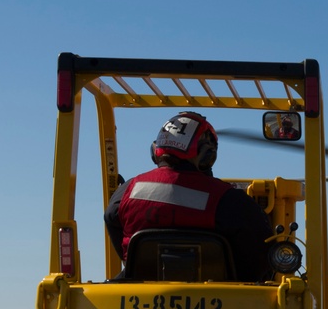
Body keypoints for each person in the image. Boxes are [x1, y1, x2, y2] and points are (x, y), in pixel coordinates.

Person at [105, 111, 273, 282]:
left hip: (140, 297)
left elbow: (111, 218)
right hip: (218, 301)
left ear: (155, 150)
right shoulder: (229, 200)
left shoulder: (127, 190)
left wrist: (131, 263)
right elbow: (262, 253)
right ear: (208, 155)